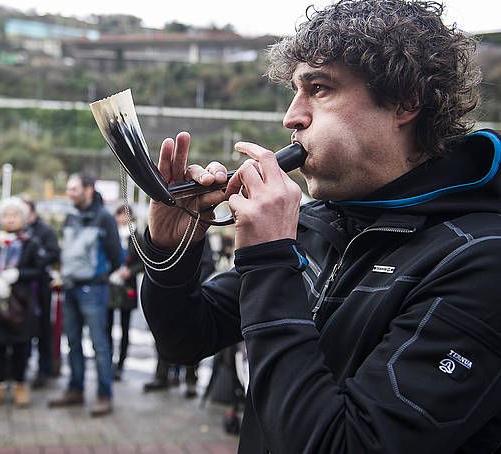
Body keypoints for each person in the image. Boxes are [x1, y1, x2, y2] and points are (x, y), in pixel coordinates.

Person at [140, 1, 501, 452]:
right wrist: (171, 251)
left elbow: (341, 444)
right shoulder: (318, 221)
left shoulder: (482, 258)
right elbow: (184, 338)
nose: (292, 116)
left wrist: (269, 257)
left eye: (320, 88)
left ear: (407, 100)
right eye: (295, 90)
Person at [48, 173, 122, 417]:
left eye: (74, 188)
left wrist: (99, 276)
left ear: (89, 190)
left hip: (94, 289)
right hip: (69, 287)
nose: (69, 193)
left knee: (99, 344)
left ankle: (105, 395)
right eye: (69, 189)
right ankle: (75, 389)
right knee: (73, 342)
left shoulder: (104, 219)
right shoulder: (70, 216)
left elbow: (116, 256)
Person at [0, 197, 44, 408]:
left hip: (22, 304)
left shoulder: (31, 243)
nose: (10, 219)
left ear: (24, 218)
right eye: (6, 215)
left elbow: (39, 270)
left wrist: (18, 274)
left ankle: (19, 385)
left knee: (20, 347)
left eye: (15, 215)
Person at [143, 236, 214, 398]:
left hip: (189, 294)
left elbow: (208, 264)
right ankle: (162, 376)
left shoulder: (198, 233)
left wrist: (189, 284)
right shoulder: (169, 234)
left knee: (191, 337)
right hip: (168, 295)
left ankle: (190, 380)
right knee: (163, 336)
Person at [23, 199, 60, 389]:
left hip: (41, 288)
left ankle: (43, 370)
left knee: (44, 330)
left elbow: (54, 253)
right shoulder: (17, 231)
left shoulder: (45, 231)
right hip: (22, 288)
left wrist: (37, 259)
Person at [106, 204, 142, 382]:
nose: (121, 218)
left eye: (124, 214)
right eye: (119, 214)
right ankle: (108, 362)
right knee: (108, 326)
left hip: (128, 286)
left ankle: (121, 364)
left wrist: (131, 271)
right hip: (111, 284)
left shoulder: (137, 236)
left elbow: (143, 260)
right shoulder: (111, 234)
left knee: (125, 328)